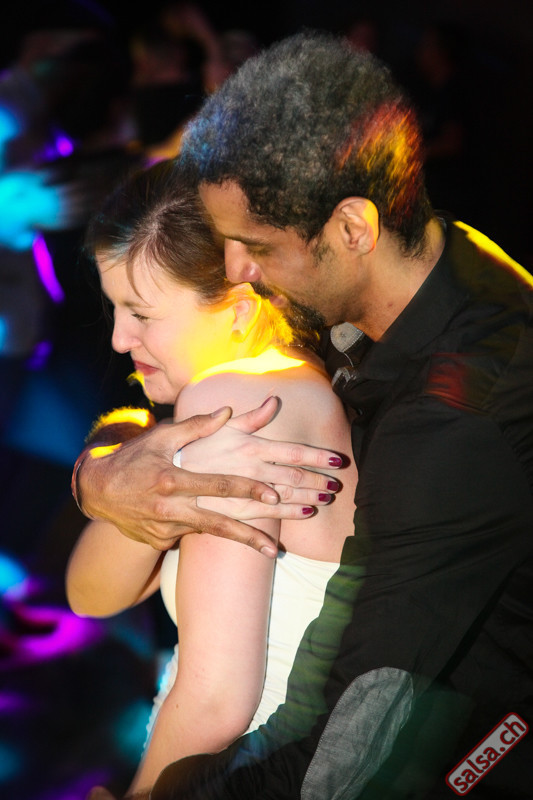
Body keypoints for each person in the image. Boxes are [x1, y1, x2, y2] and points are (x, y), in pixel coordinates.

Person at [72, 31, 533, 800]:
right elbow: (94, 590)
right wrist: (104, 470)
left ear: (352, 230)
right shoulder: (391, 288)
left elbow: (354, 735)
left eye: (252, 245)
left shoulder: (453, 418)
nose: (238, 272)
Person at [65, 158, 359, 798]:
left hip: (246, 773)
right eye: (115, 308)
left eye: (141, 313)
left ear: (239, 310)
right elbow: (91, 595)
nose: (119, 339)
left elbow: (218, 699)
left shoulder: (237, 401)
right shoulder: (270, 389)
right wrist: (116, 476)